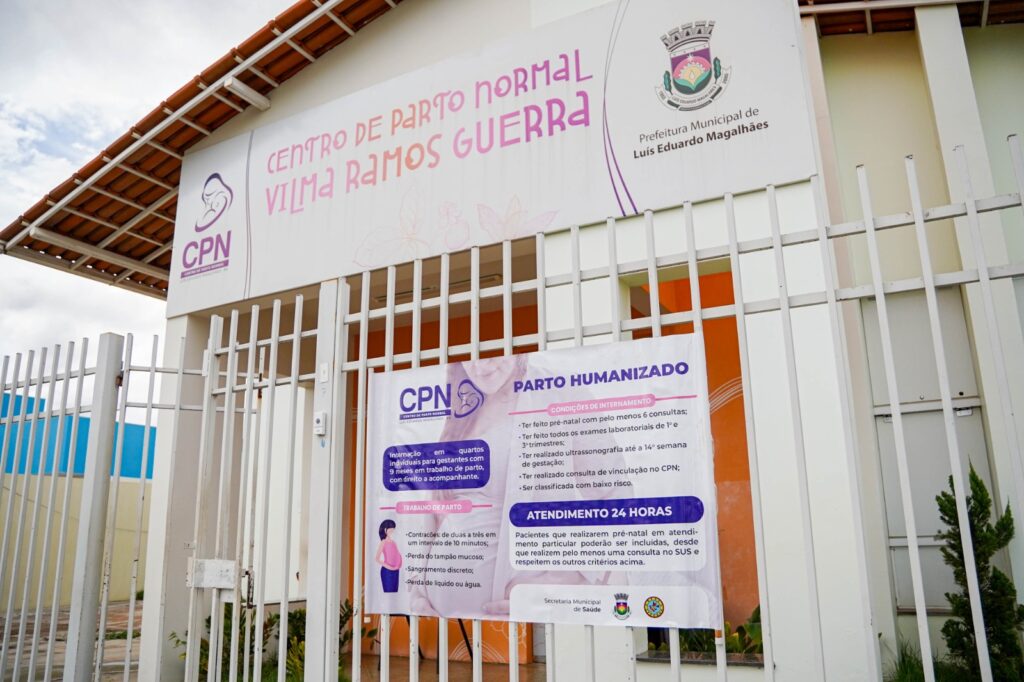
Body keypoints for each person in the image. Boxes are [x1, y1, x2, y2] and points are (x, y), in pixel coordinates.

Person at [375, 519, 402, 593]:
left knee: (394, 592)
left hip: (396, 571)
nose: (392, 531)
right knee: (389, 592)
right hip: (387, 572)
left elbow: (397, 554)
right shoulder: (383, 542)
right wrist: (389, 567)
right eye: (391, 530)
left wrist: (399, 564)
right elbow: (377, 558)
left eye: (393, 529)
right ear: (385, 530)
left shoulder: (394, 542)